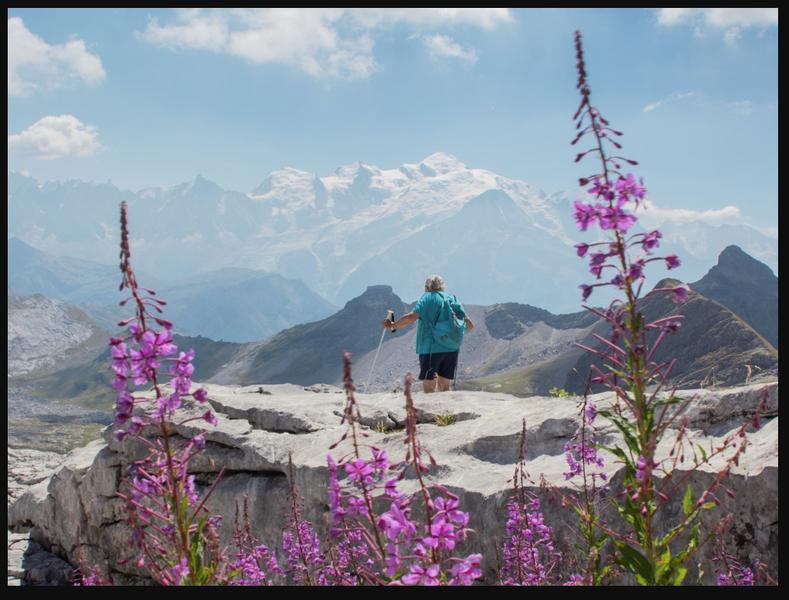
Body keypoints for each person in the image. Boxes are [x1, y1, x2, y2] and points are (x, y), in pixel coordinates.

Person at [382, 275, 473, 393]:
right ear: (442, 287)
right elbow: (469, 325)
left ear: (426, 287)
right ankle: (446, 411)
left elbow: (411, 317)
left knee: (429, 388)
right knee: (445, 387)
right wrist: (450, 339)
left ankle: (431, 411)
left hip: (431, 350)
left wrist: (392, 325)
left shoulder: (427, 297)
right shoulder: (452, 300)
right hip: (452, 349)